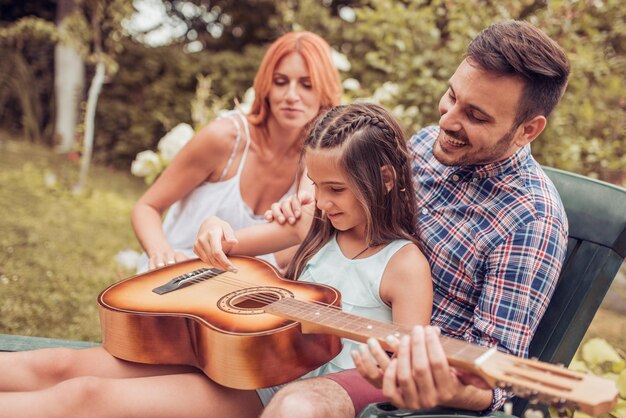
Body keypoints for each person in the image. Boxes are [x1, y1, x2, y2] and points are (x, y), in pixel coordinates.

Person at [0, 103, 433, 418]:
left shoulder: (404, 266)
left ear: (385, 179)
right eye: (316, 185)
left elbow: (405, 376)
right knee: (61, 365)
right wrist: (212, 225)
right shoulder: (312, 225)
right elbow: (225, 248)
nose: (320, 200)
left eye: (335, 189)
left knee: (84, 398)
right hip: (224, 348)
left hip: (267, 392)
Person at [263, 19, 571, 416]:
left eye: (475, 115)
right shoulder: (427, 144)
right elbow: (357, 203)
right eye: (452, 95)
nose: (446, 120)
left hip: (389, 381)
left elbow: (497, 379)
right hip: (321, 332)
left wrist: (439, 387)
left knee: (299, 405)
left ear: (527, 129)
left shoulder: (531, 221)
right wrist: (312, 201)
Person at [131, 31, 342, 273]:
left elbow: (304, 227)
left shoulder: (314, 157)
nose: (291, 96)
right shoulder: (224, 138)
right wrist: (162, 254)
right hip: (176, 273)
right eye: (281, 82)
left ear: (324, 91)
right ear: (266, 87)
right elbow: (146, 207)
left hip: (241, 289)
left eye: (307, 85)